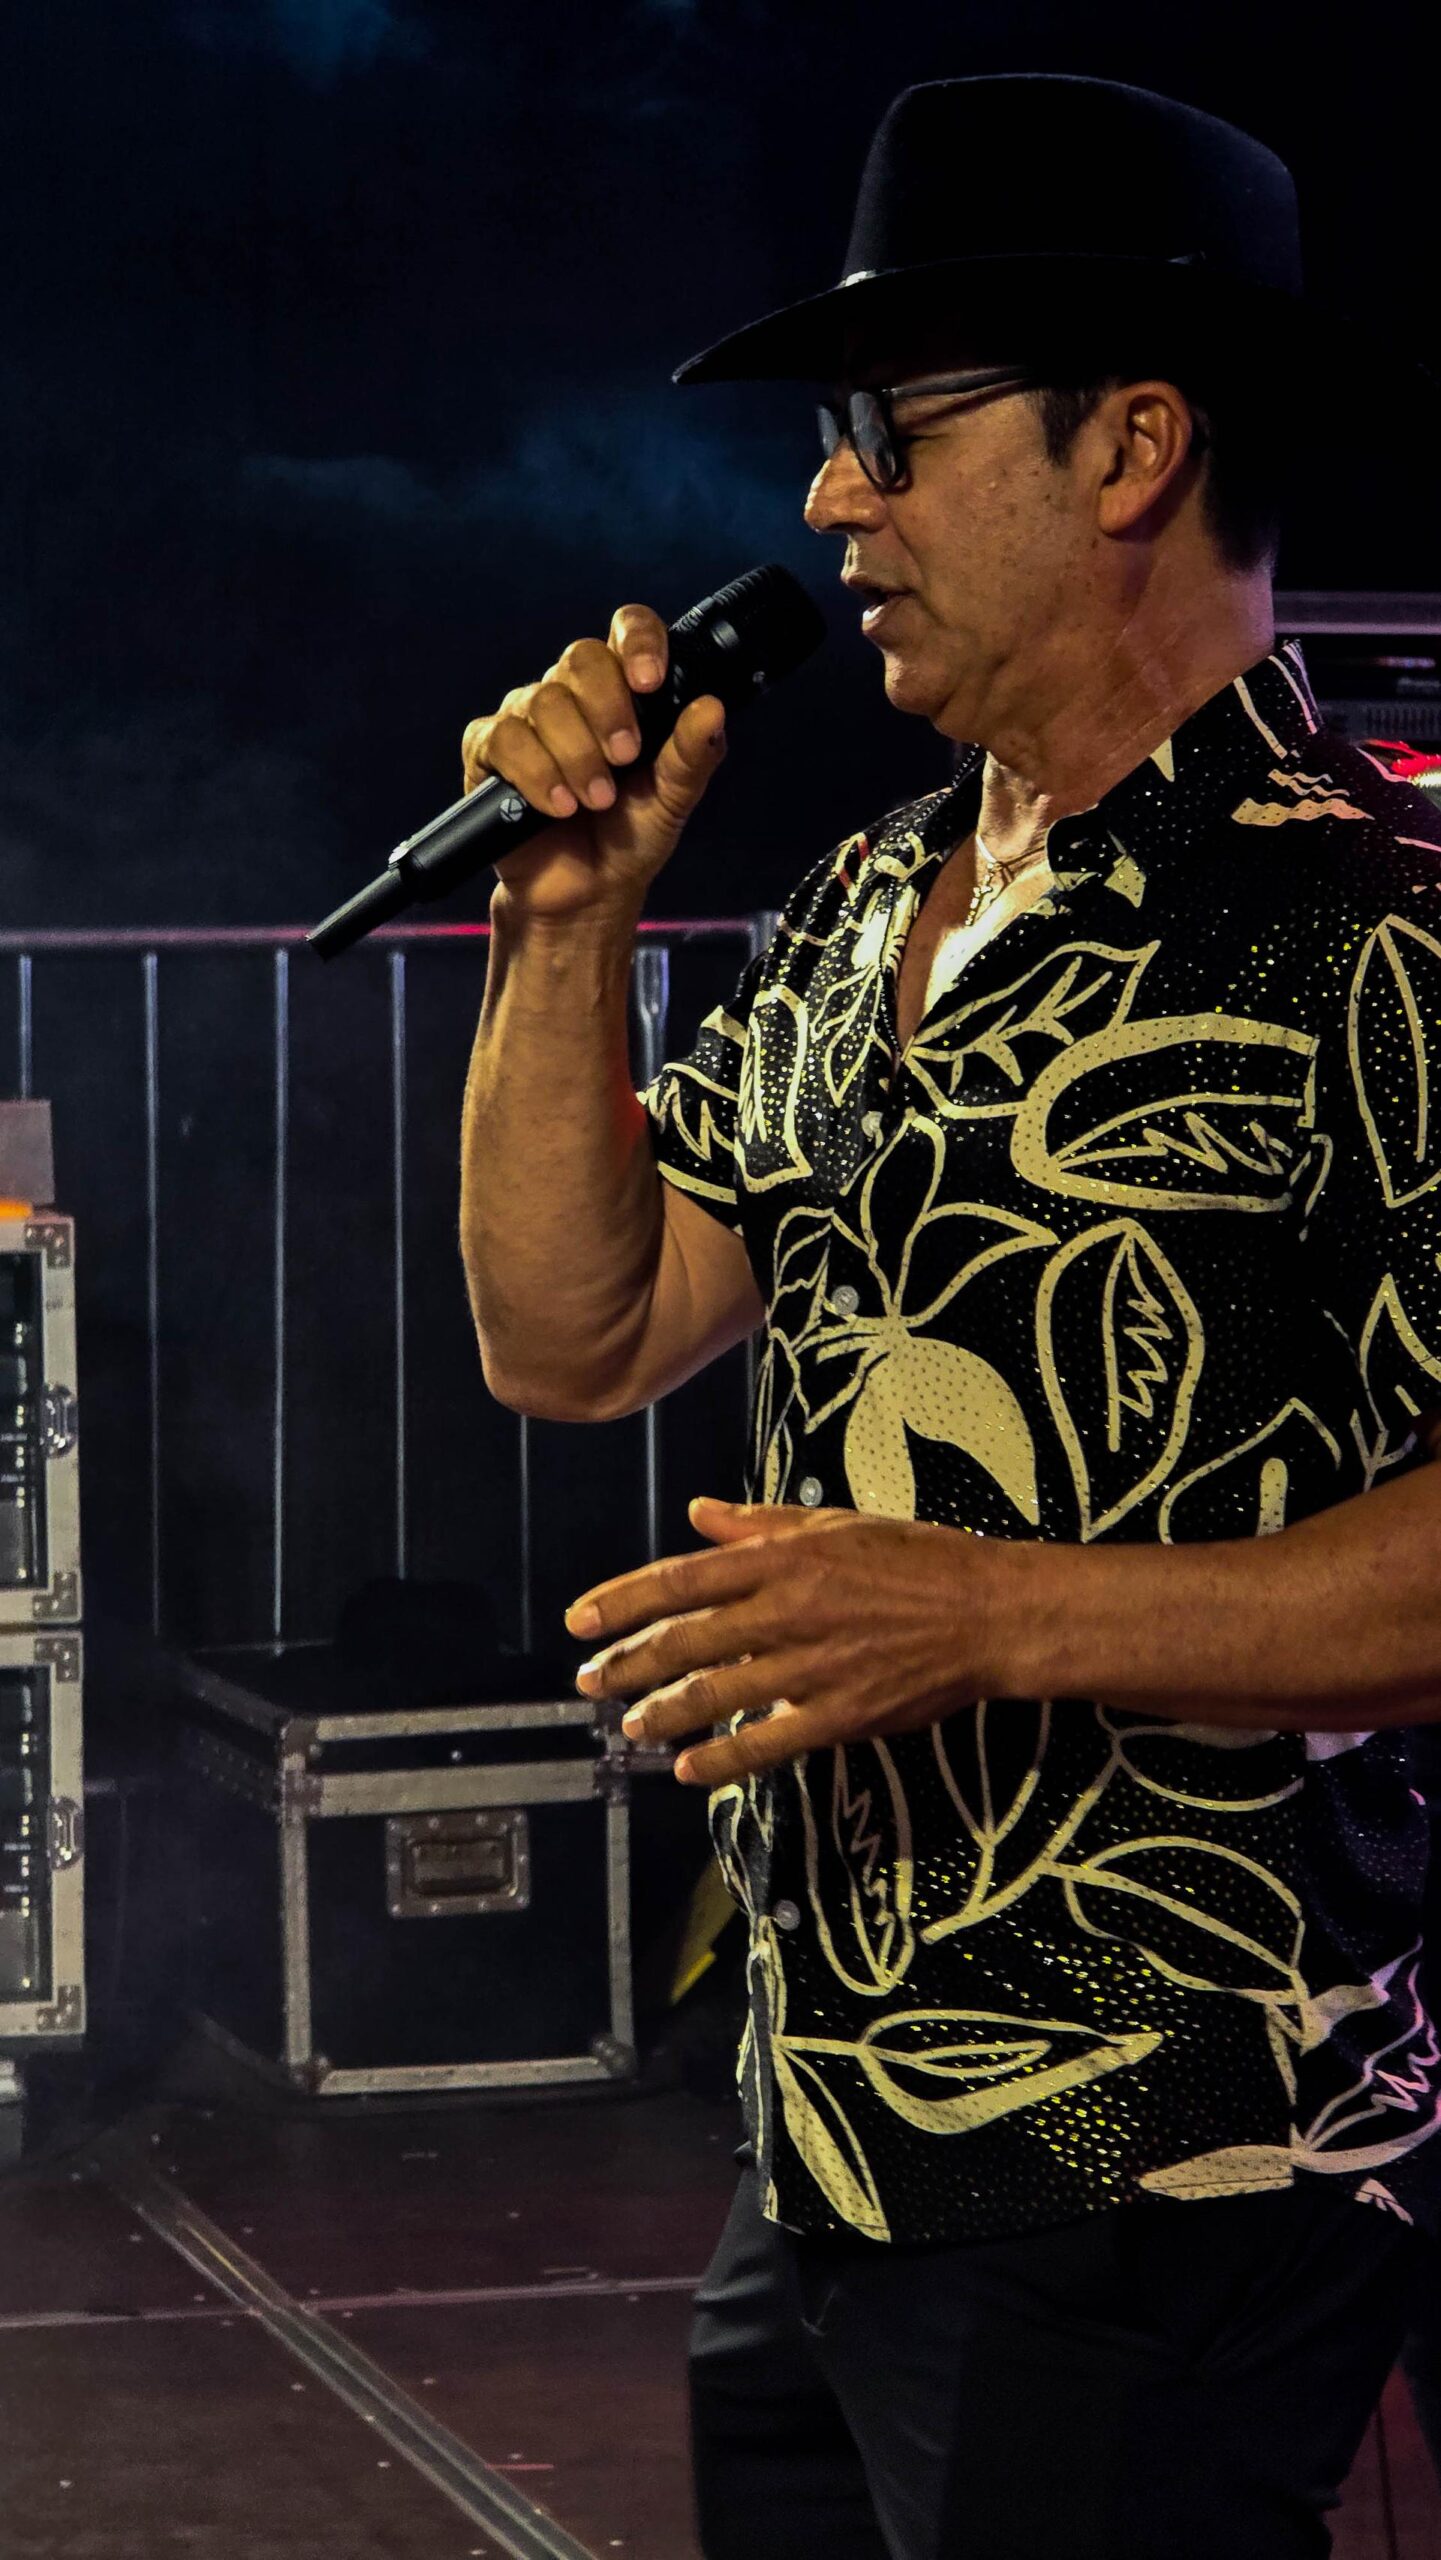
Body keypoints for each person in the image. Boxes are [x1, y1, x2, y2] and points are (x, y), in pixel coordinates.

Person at [460, 74, 1441, 2560]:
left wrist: (985, 1613)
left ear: (1130, 446)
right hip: (832, 2127)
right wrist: (563, 927)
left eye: (893, 432)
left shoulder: (1379, 935)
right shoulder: (862, 897)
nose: (829, 502)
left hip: (1163, 2146)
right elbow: (574, 1331)